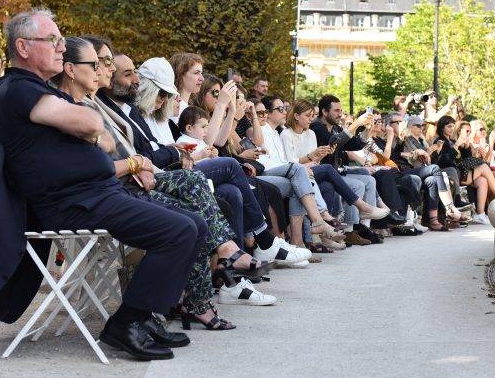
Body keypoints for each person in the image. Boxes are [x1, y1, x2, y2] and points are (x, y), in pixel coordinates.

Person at [0, 8, 206, 361]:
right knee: (179, 231)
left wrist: (92, 133)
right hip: (71, 202)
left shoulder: (38, 90)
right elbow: (93, 125)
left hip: (95, 193)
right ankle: (126, 322)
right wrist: (92, 132)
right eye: (52, 40)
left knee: (195, 225)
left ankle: (145, 317)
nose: (60, 47)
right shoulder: (16, 87)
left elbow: (100, 135)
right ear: (23, 47)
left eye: (61, 40)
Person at [60, 37, 274, 323]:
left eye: (110, 64)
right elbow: (110, 159)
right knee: (202, 199)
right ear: (72, 69)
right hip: (114, 192)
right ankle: (228, 260)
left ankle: (203, 292)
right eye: (103, 63)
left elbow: (134, 151)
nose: (107, 70)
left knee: (204, 204)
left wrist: (147, 160)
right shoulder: (76, 107)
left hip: (133, 182)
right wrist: (140, 163)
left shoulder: (105, 106)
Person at [99, 54, 311, 268]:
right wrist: (178, 151)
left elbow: (159, 148)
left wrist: (230, 112)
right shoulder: (151, 110)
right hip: (159, 176)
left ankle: (232, 266)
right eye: (196, 73)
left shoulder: (142, 111)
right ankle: (264, 240)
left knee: (231, 192)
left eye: (168, 95)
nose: (166, 99)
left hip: (168, 171)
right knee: (231, 168)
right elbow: (206, 142)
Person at [280, 99, 389, 248]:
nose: (311, 119)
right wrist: (356, 123)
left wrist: (366, 129)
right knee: (328, 170)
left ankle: (325, 236)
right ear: (296, 116)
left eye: (312, 115)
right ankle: (361, 208)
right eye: (307, 115)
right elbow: (291, 163)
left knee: (328, 185)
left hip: (314, 170)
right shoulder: (310, 129)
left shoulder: (312, 132)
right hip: (301, 172)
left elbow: (352, 144)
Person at [256, 95, 346, 248]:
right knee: (304, 173)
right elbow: (279, 162)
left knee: (307, 183)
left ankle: (301, 242)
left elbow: (288, 162)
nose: (285, 111)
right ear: (269, 113)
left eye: (284, 108)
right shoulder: (265, 131)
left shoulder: (277, 132)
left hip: (286, 171)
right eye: (280, 109)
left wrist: (314, 158)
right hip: (268, 173)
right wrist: (306, 163)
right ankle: (320, 220)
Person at [449, 120, 495, 224]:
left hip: (466, 174)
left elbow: (470, 159)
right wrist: (457, 144)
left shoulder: (467, 144)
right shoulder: (452, 142)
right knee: (484, 166)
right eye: (467, 131)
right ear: (459, 131)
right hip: (457, 174)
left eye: (470, 131)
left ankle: (480, 214)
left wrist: (468, 147)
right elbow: (450, 160)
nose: (469, 133)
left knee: (483, 181)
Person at [135, 57, 179, 145]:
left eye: (169, 94)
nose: (166, 99)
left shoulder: (162, 118)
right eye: (163, 93)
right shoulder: (132, 116)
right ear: (147, 90)